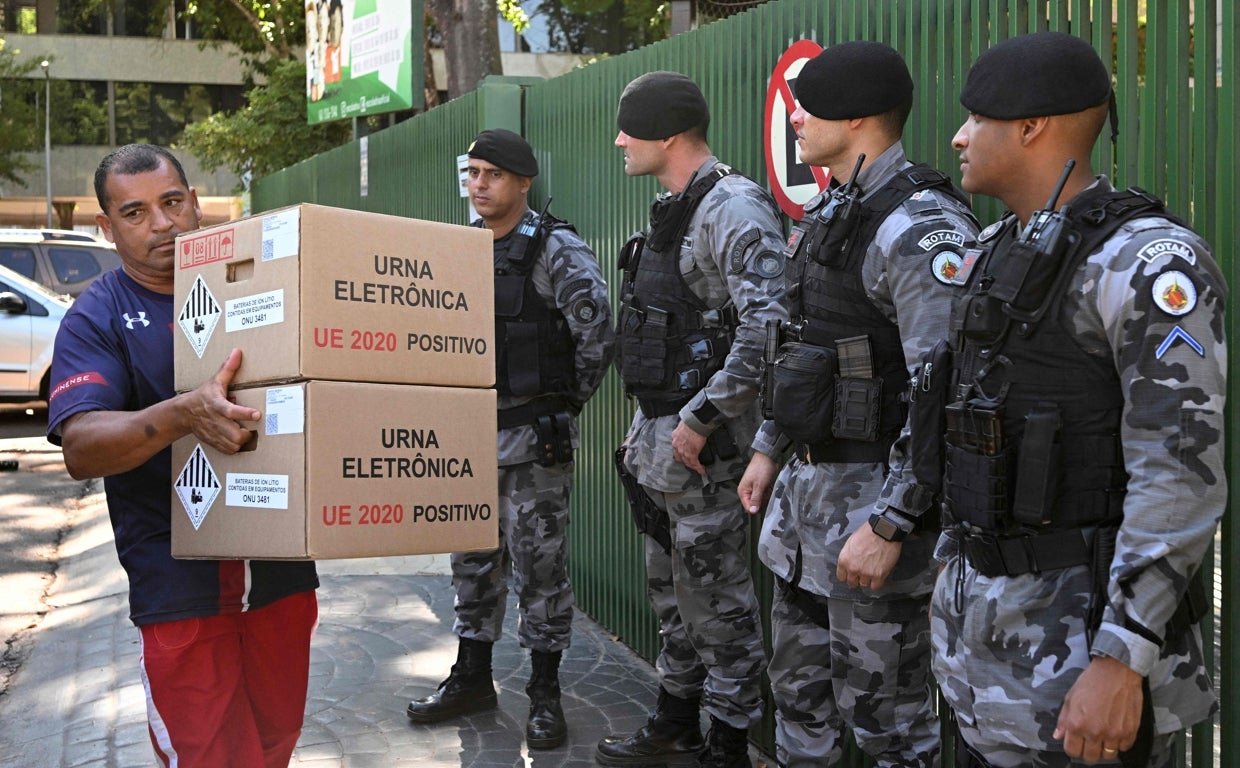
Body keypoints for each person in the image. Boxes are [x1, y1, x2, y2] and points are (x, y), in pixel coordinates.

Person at [928, 32, 1225, 768]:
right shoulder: (996, 250)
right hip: (981, 665)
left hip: (1077, 676)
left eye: (976, 118)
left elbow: (1180, 472)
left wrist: (1123, 659)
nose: (958, 137)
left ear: (1030, 127)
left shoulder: (1147, 263)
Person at [736, 41, 979, 767]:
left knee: (888, 723)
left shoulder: (919, 226)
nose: (798, 118)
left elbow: (945, 389)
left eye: (814, 104)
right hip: (806, 517)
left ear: (864, 115)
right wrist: (770, 446)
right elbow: (804, 341)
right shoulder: (833, 210)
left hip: (872, 525)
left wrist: (894, 520)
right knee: (800, 701)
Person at [46, 143, 320, 767]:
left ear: (196, 203)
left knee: (274, 746)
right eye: (135, 212)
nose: (161, 224)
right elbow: (82, 447)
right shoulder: (100, 314)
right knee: (209, 759)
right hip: (180, 588)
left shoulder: (265, 280)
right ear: (106, 227)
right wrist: (182, 414)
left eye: (171, 203)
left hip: (281, 572)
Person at [597, 71, 787, 768]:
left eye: (631, 126)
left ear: (670, 134)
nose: (619, 139)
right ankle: (676, 718)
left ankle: (730, 742)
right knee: (673, 593)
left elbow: (771, 326)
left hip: (707, 447)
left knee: (718, 600)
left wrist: (705, 416)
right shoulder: (676, 206)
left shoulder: (731, 207)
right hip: (662, 445)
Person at [406, 128, 615, 751]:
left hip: (533, 440)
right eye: (472, 173)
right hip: (469, 439)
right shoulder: (456, 247)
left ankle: (544, 691)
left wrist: (561, 401)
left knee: (539, 567)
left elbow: (598, 335)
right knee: (471, 561)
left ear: (523, 182)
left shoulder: (557, 250)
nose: (479, 186)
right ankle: (472, 676)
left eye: (492, 174)